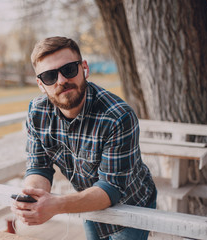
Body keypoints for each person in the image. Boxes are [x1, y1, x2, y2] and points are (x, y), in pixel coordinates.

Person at [11, 36, 157, 240]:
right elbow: (39, 166)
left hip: (132, 206)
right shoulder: (37, 112)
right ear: (41, 84)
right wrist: (33, 196)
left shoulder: (118, 116)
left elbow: (111, 188)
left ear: (84, 68)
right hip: (88, 202)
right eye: (50, 76)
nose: (61, 80)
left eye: (69, 69)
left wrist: (56, 205)